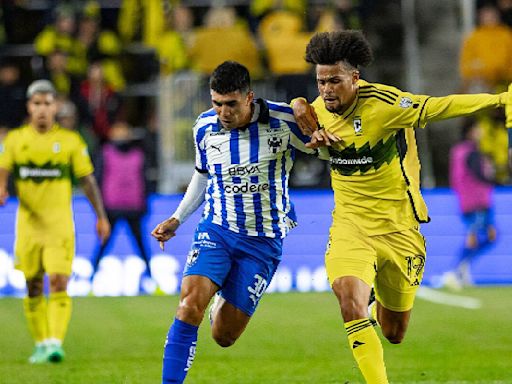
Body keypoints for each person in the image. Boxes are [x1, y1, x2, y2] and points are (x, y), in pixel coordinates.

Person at [291, 31, 511, 383]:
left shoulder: (385, 105)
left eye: (335, 80)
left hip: (399, 230)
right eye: (320, 82)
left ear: (355, 78)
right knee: (349, 299)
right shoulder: (315, 112)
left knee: (394, 332)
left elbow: (442, 106)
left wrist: (499, 100)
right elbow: (262, 113)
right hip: (350, 227)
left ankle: (379, 302)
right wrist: (298, 104)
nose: (327, 89)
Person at [151, 61, 326, 384]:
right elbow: (202, 176)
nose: (222, 112)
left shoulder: (284, 120)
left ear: (249, 97)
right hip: (217, 229)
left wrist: (303, 106)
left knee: (224, 335)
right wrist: (178, 218)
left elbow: (326, 149)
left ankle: (223, 300)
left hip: (263, 241)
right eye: (217, 103)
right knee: (189, 306)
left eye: (230, 104)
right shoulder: (204, 127)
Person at [0, 80, 110, 364]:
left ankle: (54, 343)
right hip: (28, 227)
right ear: (29, 107)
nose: (42, 110)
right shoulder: (14, 140)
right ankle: (40, 343)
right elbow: (3, 169)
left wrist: (101, 216)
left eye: (47, 104)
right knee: (33, 286)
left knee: (59, 281)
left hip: (60, 226)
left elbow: (88, 181)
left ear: (55, 107)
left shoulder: (71, 141)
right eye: (36, 104)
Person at [90, 121, 153, 286]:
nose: (121, 135)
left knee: (140, 244)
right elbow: (98, 179)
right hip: (111, 206)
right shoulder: (105, 153)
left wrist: (144, 203)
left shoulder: (139, 154)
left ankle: (151, 278)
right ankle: (90, 279)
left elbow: (145, 181)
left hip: (134, 206)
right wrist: (100, 209)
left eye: (124, 132)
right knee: (104, 244)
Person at [444, 118, 497, 289]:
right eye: (478, 129)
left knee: (489, 236)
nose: (481, 132)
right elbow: (479, 175)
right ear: (471, 131)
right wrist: (493, 176)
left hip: (467, 199)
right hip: (477, 200)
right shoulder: (471, 152)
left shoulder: (458, 151)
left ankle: (463, 267)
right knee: (474, 237)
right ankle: (454, 271)